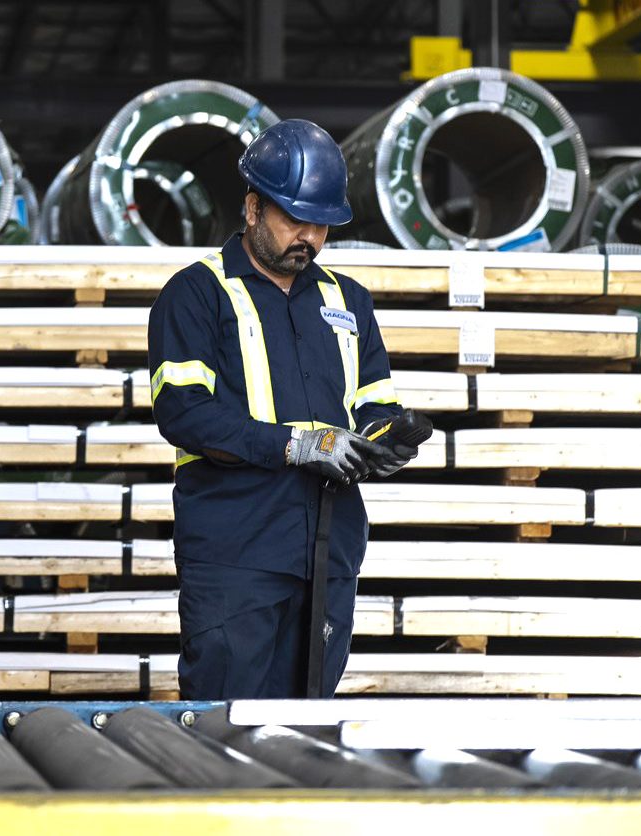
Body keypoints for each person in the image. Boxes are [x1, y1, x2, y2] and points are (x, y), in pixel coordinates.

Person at [147, 119, 419, 700]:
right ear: (252, 208)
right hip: (236, 557)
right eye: (295, 219)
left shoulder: (349, 301)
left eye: (321, 224)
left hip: (329, 550)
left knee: (307, 732)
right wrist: (296, 445)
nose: (310, 238)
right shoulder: (197, 293)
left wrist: (386, 439)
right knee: (226, 723)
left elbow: (374, 400)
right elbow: (183, 411)